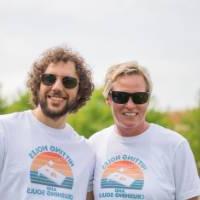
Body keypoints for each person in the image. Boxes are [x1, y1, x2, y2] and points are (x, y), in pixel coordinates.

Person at [89, 61, 200, 200]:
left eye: (139, 97)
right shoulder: (94, 145)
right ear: (108, 99)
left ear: (148, 100)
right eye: (121, 96)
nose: (130, 105)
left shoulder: (175, 146)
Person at [0, 46, 95, 200]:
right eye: (49, 79)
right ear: (38, 84)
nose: (57, 87)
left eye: (68, 82)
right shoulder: (4, 130)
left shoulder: (86, 152)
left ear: (79, 92)